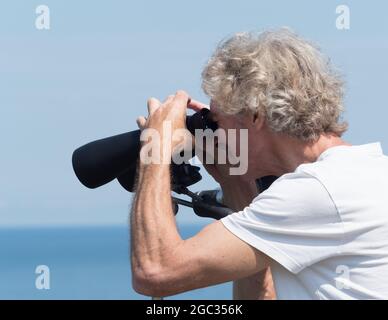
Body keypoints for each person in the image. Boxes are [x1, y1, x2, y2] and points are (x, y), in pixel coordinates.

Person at [130, 28, 388, 299]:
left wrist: (156, 148)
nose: (214, 134)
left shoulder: (317, 191)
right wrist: (238, 188)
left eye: (216, 121)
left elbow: (156, 271)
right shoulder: (362, 174)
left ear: (254, 116)